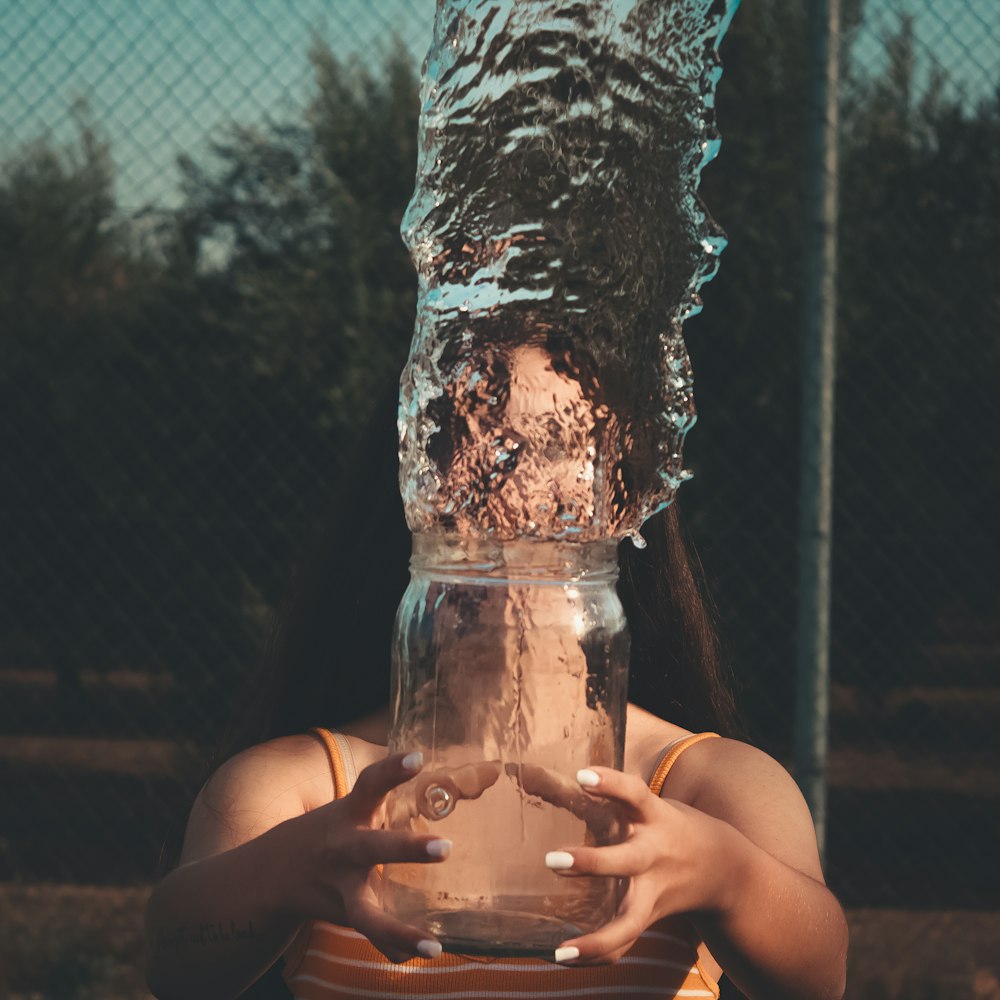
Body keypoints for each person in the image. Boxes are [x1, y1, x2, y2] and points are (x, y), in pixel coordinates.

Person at [144, 368, 848, 1000]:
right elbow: (174, 968)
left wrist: (725, 875)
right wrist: (278, 874)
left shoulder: (700, 789)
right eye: (462, 431)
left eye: (551, 441)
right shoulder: (306, 790)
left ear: (623, 501)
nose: (502, 481)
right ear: (409, 478)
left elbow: (821, 978)